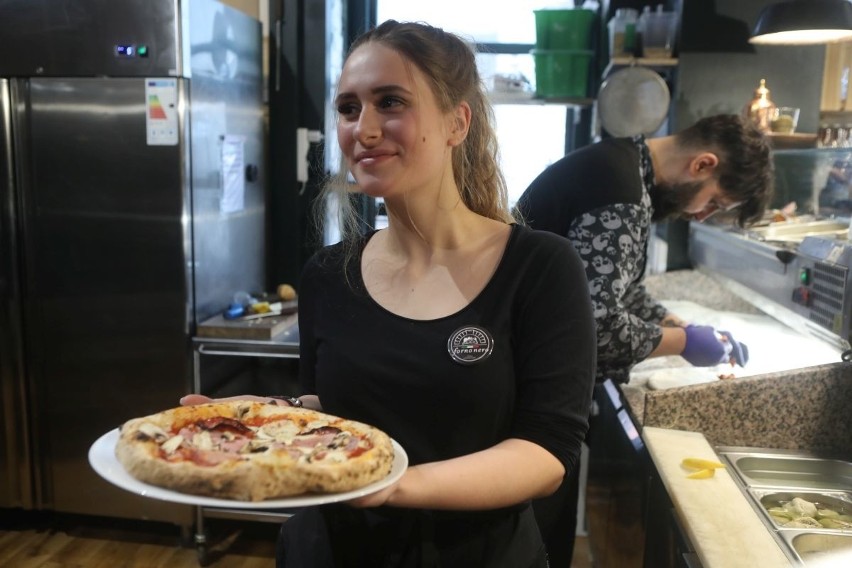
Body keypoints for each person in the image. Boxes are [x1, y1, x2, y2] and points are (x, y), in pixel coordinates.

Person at [185, 19, 596, 567]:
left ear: (457, 122)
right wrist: (268, 414)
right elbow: (334, 407)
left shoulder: (538, 266)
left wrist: (394, 483)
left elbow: (545, 454)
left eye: (391, 102)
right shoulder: (329, 273)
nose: (365, 129)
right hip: (330, 551)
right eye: (349, 109)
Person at [515, 114, 774, 566]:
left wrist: (674, 322)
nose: (702, 214)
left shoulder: (623, 161)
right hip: (529, 391)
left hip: (526, 368)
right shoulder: (622, 196)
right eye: (714, 202)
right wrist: (683, 343)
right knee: (537, 545)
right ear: (703, 164)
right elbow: (595, 325)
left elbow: (617, 286)